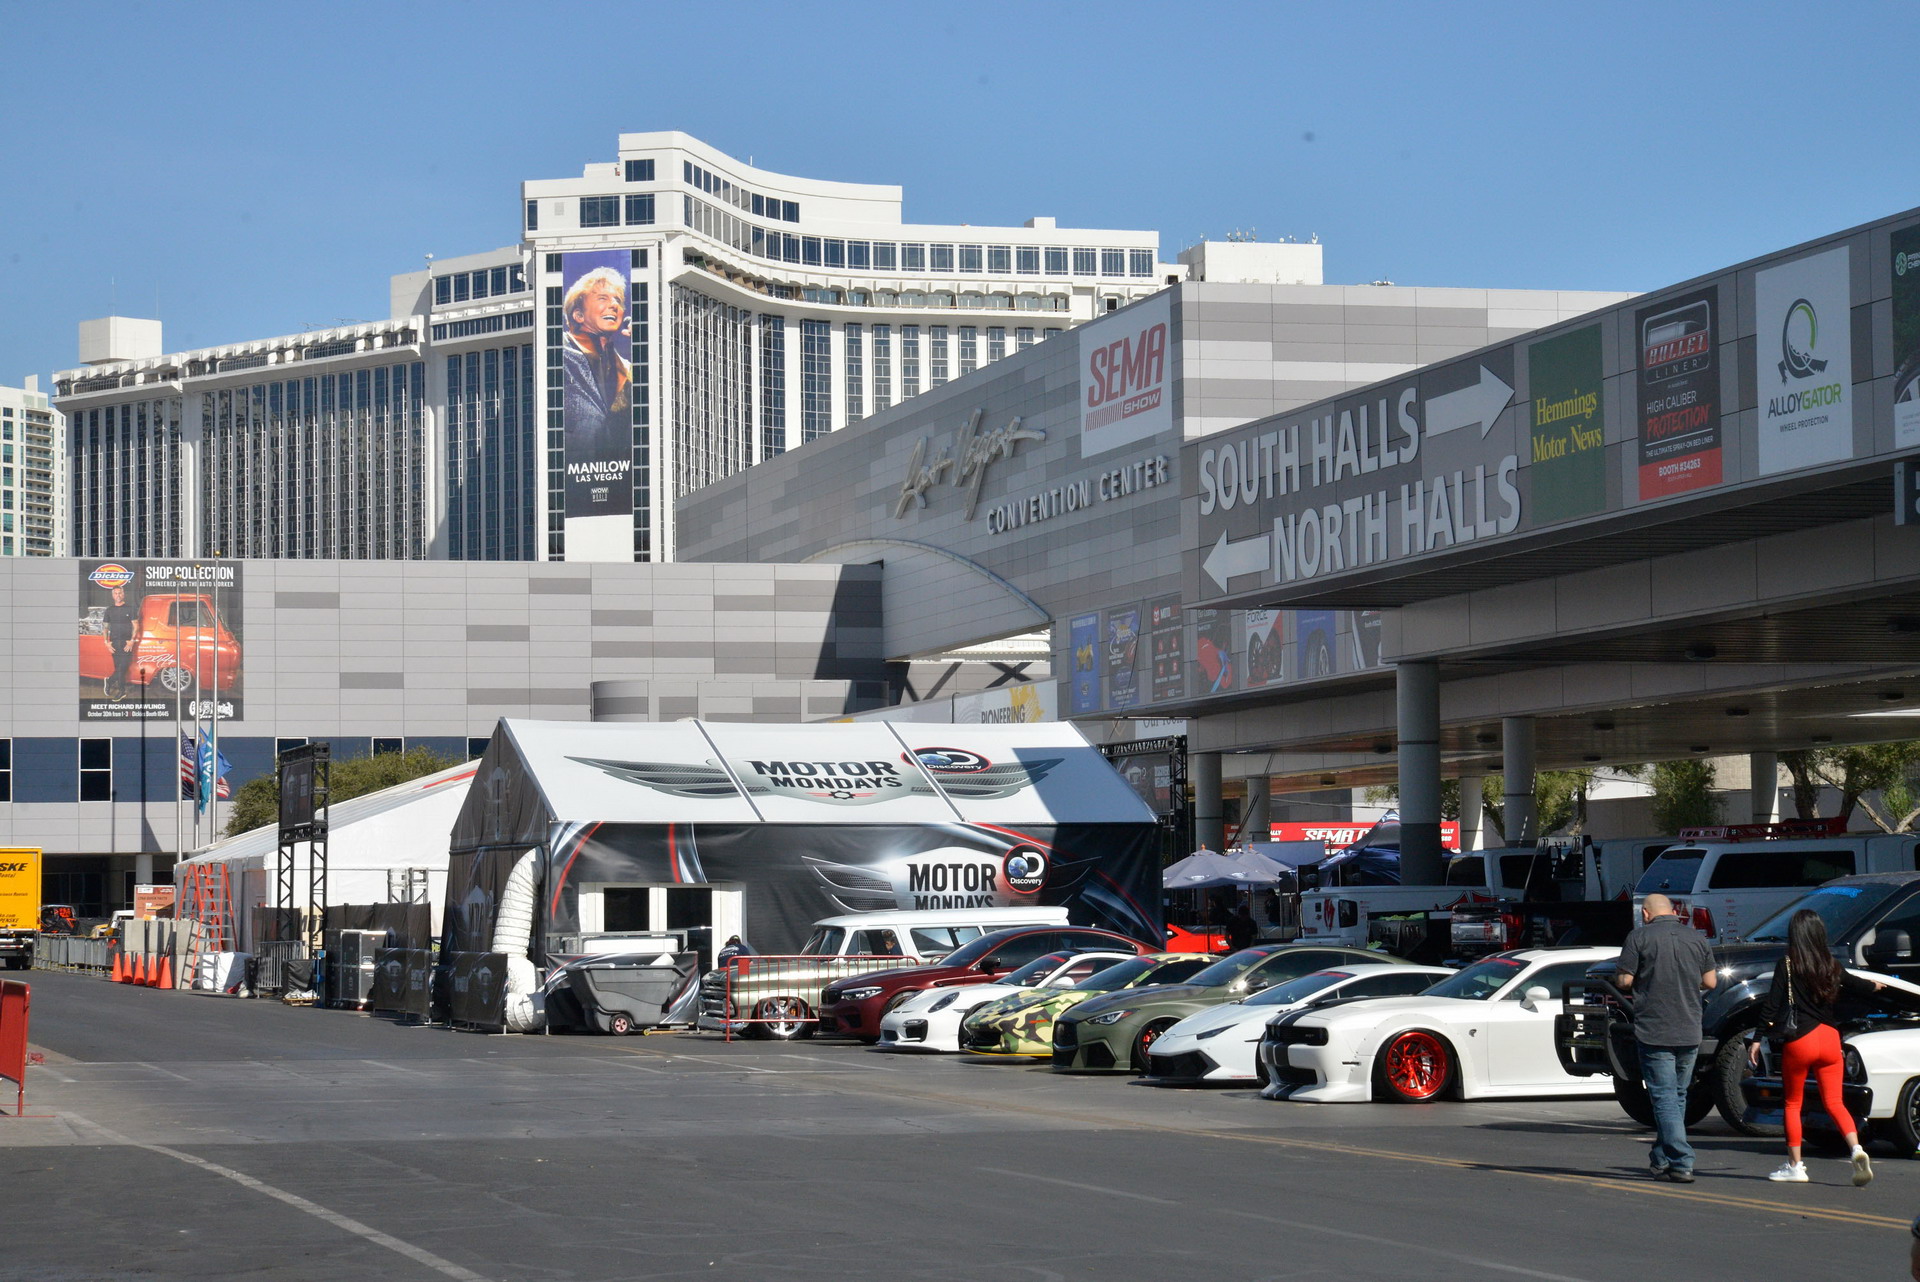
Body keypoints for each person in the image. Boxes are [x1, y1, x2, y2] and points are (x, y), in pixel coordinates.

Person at [1752, 907, 1880, 1185]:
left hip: (1801, 1040)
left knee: (1792, 1103)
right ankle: (1856, 1149)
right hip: (1830, 1038)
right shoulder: (1831, 965)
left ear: (1795, 934)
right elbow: (1857, 985)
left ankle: (1795, 1166)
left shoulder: (1787, 964)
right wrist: (1875, 987)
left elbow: (1772, 1005)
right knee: (1835, 1101)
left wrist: (1756, 1038)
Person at [1616, 891, 1717, 1182]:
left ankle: (1682, 1160)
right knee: (1677, 1095)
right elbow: (1710, 981)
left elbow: (1625, 980)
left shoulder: (1639, 937)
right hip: (1689, 1028)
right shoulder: (1697, 938)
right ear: (1674, 911)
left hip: (1655, 1028)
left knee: (1663, 1097)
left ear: (1645, 914)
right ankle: (1662, 1159)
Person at [560, 265, 632, 479]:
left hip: (617, 476)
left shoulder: (625, 367)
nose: (613, 306)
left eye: (618, 301)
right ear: (579, 314)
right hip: (571, 472)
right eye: (603, 298)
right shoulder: (559, 354)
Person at [103, 583, 141, 699]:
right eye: (115, 593)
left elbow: (136, 626)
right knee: (118, 668)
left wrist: (132, 641)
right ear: (112, 595)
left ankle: (109, 681)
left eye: (120, 593)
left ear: (123, 594)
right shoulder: (109, 610)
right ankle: (122, 691)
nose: (118, 595)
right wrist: (106, 642)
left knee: (123, 666)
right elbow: (105, 627)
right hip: (114, 643)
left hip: (126, 643)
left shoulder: (131, 608)